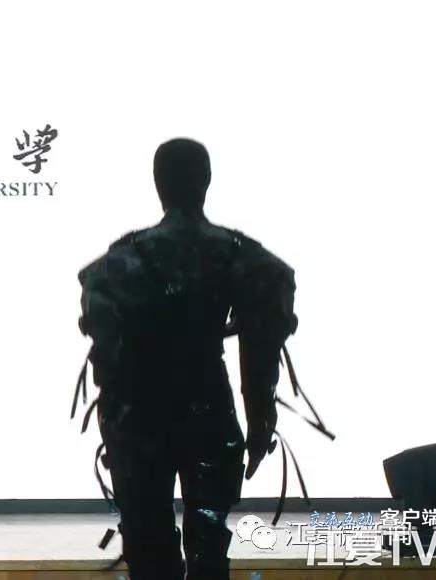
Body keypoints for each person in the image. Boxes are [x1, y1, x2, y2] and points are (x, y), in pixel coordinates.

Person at [75, 138, 297, 579]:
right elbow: (263, 341)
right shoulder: (236, 253)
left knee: (148, 545)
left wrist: (116, 433)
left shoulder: (120, 261)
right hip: (208, 410)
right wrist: (260, 419)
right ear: (206, 181)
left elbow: (108, 359)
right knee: (209, 547)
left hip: (139, 417)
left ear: (157, 183)